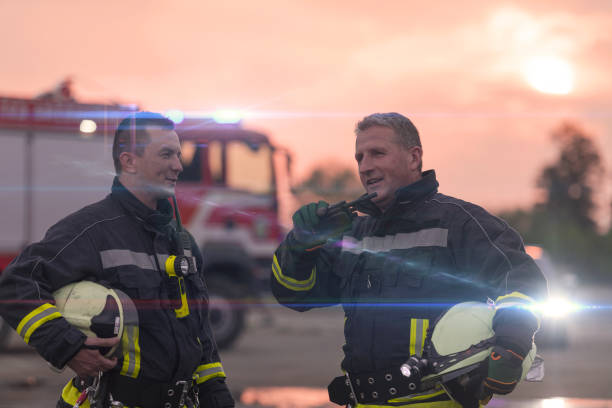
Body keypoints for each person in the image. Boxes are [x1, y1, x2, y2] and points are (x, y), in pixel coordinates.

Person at [271, 112, 548, 408]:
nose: (366, 167)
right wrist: (301, 244)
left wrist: (513, 345)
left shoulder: (459, 223)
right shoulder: (353, 235)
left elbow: (523, 280)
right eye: (360, 157)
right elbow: (294, 293)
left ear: (414, 158)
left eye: (378, 153)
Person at [0, 112, 235, 408]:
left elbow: (199, 333)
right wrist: (68, 348)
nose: (178, 165)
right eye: (166, 154)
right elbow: (15, 284)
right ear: (129, 161)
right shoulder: (91, 230)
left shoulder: (182, 242)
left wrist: (216, 394)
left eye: (178, 154)